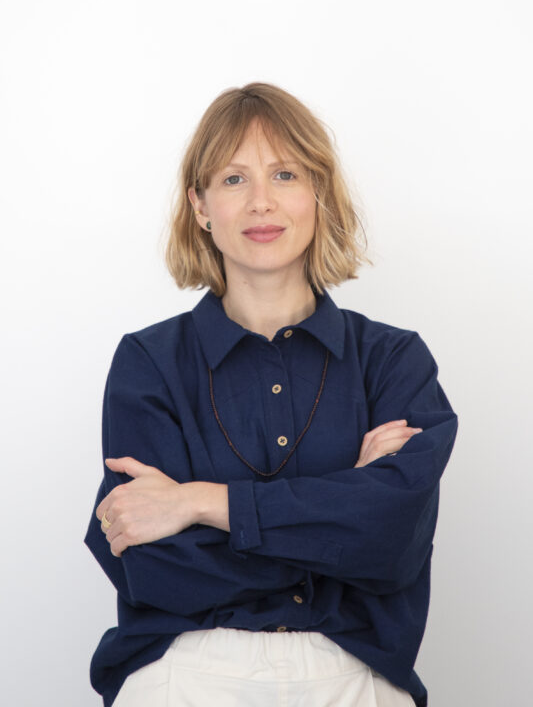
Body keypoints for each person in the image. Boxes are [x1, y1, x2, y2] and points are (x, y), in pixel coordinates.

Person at [84, 82, 458, 707]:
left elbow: (393, 541)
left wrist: (200, 503)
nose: (261, 202)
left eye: (285, 174)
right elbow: (152, 567)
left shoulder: (393, 359)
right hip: (186, 667)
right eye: (233, 180)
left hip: (356, 672)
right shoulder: (147, 363)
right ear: (200, 205)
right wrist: (342, 521)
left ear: (318, 195)